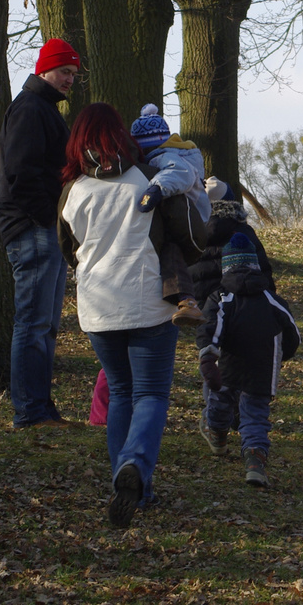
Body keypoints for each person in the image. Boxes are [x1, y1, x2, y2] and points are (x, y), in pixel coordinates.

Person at [57, 103, 203, 527]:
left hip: (97, 308)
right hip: (148, 303)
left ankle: (132, 485)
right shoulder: (147, 178)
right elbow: (187, 232)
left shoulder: (73, 189)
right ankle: (135, 466)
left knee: (120, 393)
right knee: (151, 395)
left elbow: (69, 250)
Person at [0, 38, 79, 429]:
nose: (69, 80)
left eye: (74, 75)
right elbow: (20, 172)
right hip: (32, 228)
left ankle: (41, 409)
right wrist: (48, 218)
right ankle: (29, 411)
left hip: (45, 228)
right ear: (44, 68)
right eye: (65, 72)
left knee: (44, 325)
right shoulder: (30, 108)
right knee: (32, 324)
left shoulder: (44, 109)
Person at [196, 234, 301, 487]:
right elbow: (292, 335)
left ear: (226, 266)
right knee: (254, 415)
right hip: (262, 368)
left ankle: (218, 437)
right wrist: (281, 356)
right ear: (255, 265)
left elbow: (211, 327)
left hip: (227, 366)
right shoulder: (272, 300)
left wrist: (208, 357)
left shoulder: (221, 298)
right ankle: (254, 462)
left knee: (219, 401)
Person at [128, 104, 213, 229]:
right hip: (195, 218)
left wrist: (155, 190)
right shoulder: (178, 154)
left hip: (189, 220)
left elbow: (179, 171)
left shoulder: (164, 157)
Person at [190, 179, 275, 303]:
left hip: (199, 307)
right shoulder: (245, 231)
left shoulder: (191, 232)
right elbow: (263, 270)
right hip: (240, 307)